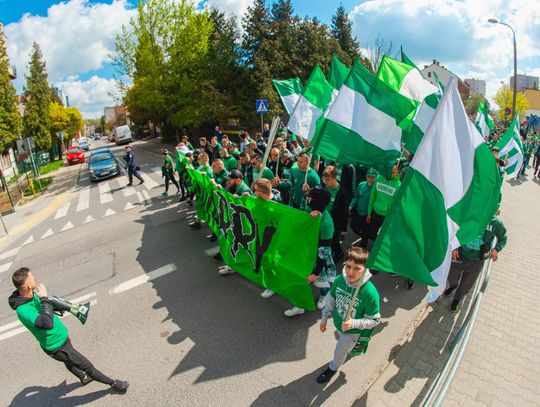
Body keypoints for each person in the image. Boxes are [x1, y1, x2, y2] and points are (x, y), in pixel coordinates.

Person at [8, 267, 129, 393]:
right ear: (28, 285)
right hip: (57, 346)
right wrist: (44, 298)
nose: (34, 277)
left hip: (61, 337)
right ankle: (114, 384)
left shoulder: (31, 294)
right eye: (32, 276)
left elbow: (44, 310)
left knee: (69, 361)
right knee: (87, 366)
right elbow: (46, 323)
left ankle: (84, 378)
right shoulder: (23, 310)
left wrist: (57, 308)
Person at [317, 247, 381, 384]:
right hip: (339, 324)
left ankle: (332, 368)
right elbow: (330, 300)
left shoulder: (370, 293)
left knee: (340, 351)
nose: (351, 272)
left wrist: (354, 323)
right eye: (348, 266)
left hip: (352, 331)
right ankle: (348, 349)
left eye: (357, 268)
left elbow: (375, 320)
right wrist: (324, 318)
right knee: (343, 343)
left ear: (365, 269)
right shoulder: (339, 280)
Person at [285, 186, 335, 316]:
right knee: (302, 279)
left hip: (318, 256)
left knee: (320, 280)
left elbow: (323, 251)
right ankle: (299, 305)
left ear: (317, 202)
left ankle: (325, 295)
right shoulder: (309, 209)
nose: (307, 199)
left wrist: (316, 272)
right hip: (306, 251)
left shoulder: (326, 224)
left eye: (310, 197)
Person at [444, 211, 507, 312]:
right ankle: (453, 286)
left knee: (467, 283)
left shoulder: (496, 223)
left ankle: (456, 299)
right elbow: (455, 230)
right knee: (451, 276)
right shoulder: (469, 213)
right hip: (460, 254)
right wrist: (454, 248)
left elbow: (503, 238)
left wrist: (496, 249)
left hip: (477, 260)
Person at [366, 163, 401, 246]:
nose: (389, 174)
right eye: (388, 171)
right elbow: (372, 196)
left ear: (397, 171)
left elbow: (397, 205)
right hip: (375, 212)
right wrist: (369, 212)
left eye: (392, 172)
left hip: (386, 216)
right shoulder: (378, 178)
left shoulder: (399, 185)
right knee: (371, 234)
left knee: (382, 237)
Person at [322, 166, 349, 262]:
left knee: (333, 240)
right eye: (324, 179)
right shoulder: (324, 187)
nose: (325, 182)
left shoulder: (342, 192)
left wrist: (343, 229)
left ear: (335, 178)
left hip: (334, 221)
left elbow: (345, 212)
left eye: (328, 179)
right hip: (324, 218)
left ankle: (339, 254)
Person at [349, 168, 377, 248]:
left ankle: (363, 244)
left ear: (376, 178)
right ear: (366, 176)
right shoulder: (361, 185)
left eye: (372, 177)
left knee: (366, 231)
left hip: (368, 215)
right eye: (369, 176)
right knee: (354, 227)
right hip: (358, 212)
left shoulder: (376, 188)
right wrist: (351, 206)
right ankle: (365, 235)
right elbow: (356, 197)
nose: (370, 179)